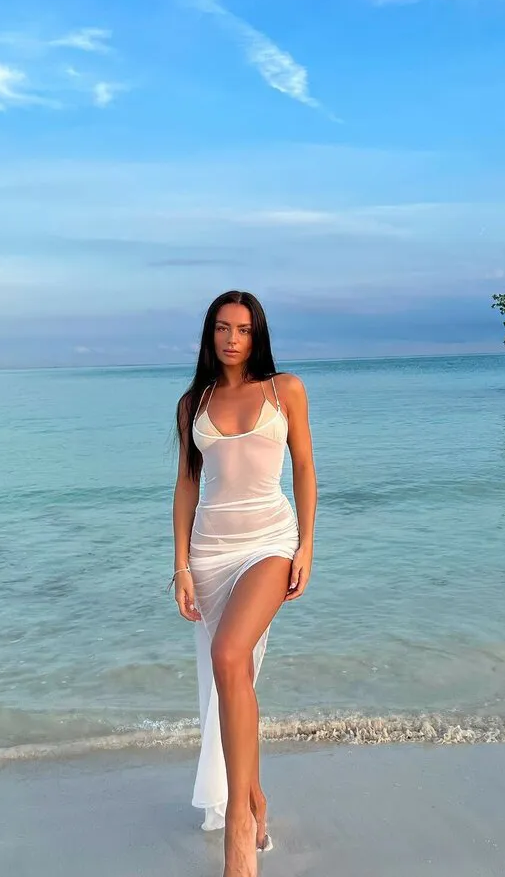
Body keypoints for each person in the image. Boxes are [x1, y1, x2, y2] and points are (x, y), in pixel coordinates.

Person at [171, 290, 317, 877]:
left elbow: (303, 466)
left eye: (244, 329)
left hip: (270, 543)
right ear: (210, 334)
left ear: (258, 335)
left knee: (229, 656)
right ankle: (253, 794)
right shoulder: (194, 403)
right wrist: (180, 565)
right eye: (223, 328)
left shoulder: (286, 390)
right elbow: (186, 485)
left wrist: (307, 545)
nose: (233, 339)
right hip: (210, 552)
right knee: (231, 679)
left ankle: (237, 828)